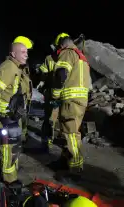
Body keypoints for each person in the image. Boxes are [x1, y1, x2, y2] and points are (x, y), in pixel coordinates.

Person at [0, 36, 33, 185]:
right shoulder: (8, 67)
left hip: (14, 115)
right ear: (13, 54)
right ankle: (9, 179)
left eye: (26, 52)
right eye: (22, 52)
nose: (26, 54)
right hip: (6, 116)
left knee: (14, 145)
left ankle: (11, 171)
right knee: (9, 147)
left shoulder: (19, 68)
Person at [50, 33, 90, 175]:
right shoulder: (81, 57)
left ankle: (75, 168)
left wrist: (54, 94)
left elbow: (61, 74)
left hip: (71, 100)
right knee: (68, 132)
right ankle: (64, 160)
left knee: (71, 134)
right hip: (79, 101)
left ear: (61, 44)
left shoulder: (67, 53)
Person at [39, 53, 59, 152]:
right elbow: (44, 73)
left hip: (58, 93)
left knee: (53, 119)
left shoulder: (66, 56)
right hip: (52, 92)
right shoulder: (49, 58)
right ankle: (46, 141)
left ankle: (50, 140)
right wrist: (42, 82)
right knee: (49, 118)